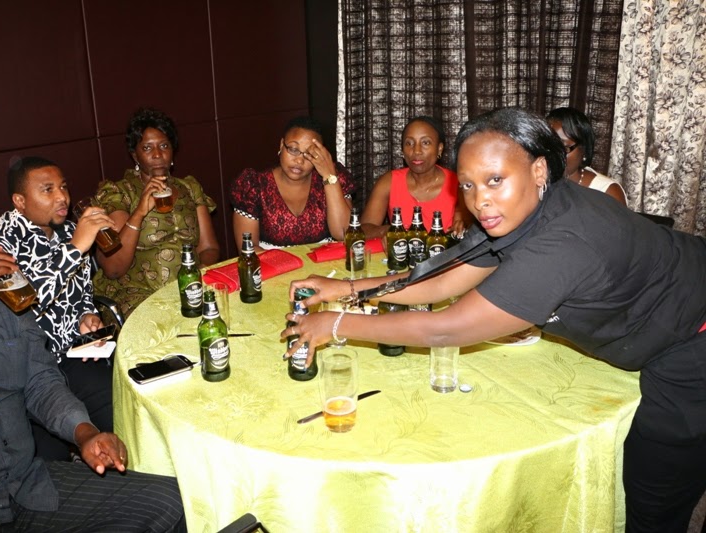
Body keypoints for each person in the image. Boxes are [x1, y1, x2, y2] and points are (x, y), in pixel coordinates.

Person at [284, 108, 706, 533]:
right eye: (468, 184)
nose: (479, 199)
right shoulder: (526, 211)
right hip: (677, 316)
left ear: (538, 169)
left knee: (653, 496)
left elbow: (447, 326)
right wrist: (344, 289)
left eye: (495, 180)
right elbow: (442, 278)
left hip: (693, 342)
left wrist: (334, 324)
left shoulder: (561, 242)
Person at [0, 186, 185, 532]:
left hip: (28, 488)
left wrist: (84, 433)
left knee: (170, 503)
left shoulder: (5, 297)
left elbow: (40, 380)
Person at [0, 156, 115, 461]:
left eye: (63, 187)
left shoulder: (69, 230)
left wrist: (87, 315)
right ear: (20, 201)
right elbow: (24, 303)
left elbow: (82, 291)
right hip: (28, 370)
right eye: (48, 190)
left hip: (73, 355)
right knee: (49, 466)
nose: (62, 197)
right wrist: (75, 248)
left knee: (119, 416)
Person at [93, 107, 220, 318]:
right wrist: (139, 212)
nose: (158, 154)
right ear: (135, 155)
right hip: (137, 294)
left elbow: (209, 247)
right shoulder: (119, 193)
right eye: (147, 148)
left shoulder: (189, 188)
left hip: (189, 287)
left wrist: (201, 270)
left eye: (164, 145)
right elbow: (113, 268)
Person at [231, 116, 355, 251]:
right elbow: (248, 249)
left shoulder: (334, 179)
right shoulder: (254, 186)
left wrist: (329, 176)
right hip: (271, 263)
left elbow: (343, 233)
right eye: (294, 149)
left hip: (326, 263)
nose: (299, 160)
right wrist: (290, 262)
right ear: (281, 145)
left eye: (309, 154)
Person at [360, 115, 470, 238]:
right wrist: (387, 231)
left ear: (439, 149)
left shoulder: (458, 184)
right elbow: (363, 229)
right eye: (409, 143)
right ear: (402, 150)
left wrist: (464, 225)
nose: (416, 151)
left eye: (425, 143)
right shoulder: (389, 181)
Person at [546, 106, 627, 205]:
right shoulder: (535, 183)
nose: (553, 154)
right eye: (548, 146)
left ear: (584, 150)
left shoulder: (607, 191)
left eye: (564, 148)